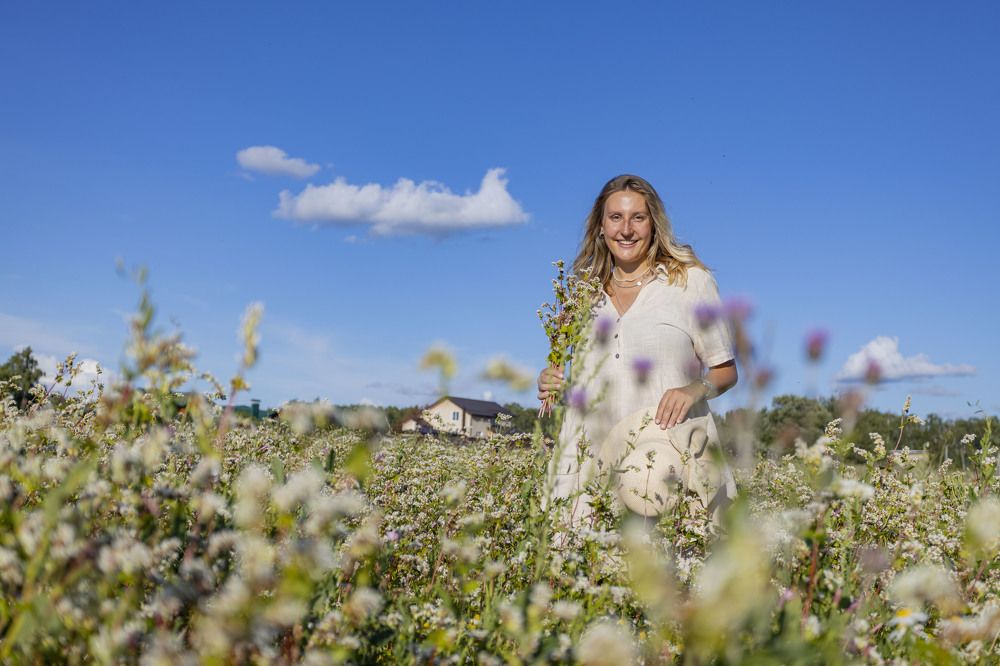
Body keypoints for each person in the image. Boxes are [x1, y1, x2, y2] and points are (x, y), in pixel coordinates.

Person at [536, 174, 738, 526]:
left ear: (653, 224)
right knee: (584, 573)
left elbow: (725, 370)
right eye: (616, 217)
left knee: (674, 575)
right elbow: (574, 377)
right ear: (601, 226)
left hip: (665, 457)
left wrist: (694, 389)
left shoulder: (689, 282)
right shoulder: (580, 294)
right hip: (591, 460)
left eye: (638, 218)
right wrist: (552, 383)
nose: (626, 229)